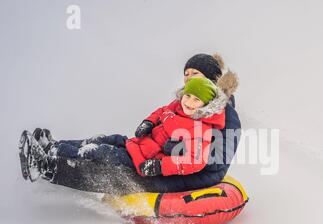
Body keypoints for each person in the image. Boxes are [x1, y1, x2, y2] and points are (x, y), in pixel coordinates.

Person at [19, 53, 242, 195]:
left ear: (212, 79)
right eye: (186, 74)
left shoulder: (225, 115)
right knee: (109, 141)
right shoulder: (189, 102)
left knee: (111, 165)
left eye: (195, 73)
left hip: (182, 175)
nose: (188, 78)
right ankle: (53, 147)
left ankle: (47, 166)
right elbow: (163, 115)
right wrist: (149, 125)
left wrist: (169, 152)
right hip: (154, 154)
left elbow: (213, 163)